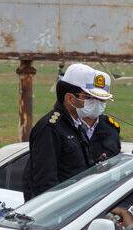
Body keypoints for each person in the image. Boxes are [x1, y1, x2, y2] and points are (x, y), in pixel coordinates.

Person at [22, 63, 113, 201]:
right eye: (88, 98)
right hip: (56, 214)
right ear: (70, 98)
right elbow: (45, 183)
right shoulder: (50, 128)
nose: (95, 104)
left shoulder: (76, 126)